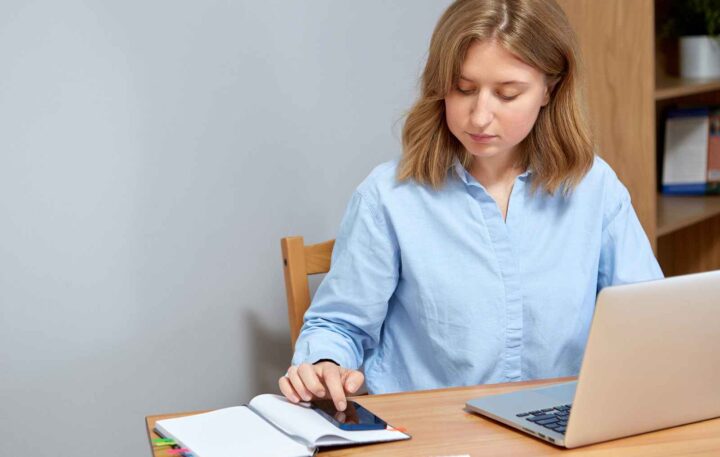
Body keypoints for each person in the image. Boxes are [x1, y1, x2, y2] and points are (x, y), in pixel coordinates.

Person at [278, 0, 663, 412]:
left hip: (564, 424)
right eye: (463, 89)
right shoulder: (388, 197)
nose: (480, 116)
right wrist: (325, 363)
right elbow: (339, 324)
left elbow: (649, 318)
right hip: (433, 434)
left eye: (507, 94)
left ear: (550, 89)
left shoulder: (593, 187)